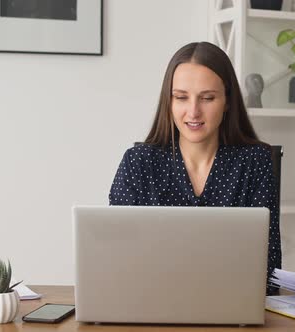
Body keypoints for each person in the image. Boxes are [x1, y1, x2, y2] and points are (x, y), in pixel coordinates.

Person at [109, 41, 281, 295]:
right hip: (148, 301)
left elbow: (269, 266)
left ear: (228, 101)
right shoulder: (138, 162)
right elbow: (117, 260)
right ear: (168, 102)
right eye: (181, 97)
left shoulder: (255, 162)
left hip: (232, 304)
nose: (193, 111)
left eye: (207, 98)